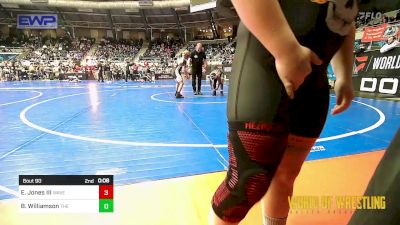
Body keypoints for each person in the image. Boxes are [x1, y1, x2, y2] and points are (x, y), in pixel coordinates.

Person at [210, 0, 358, 225]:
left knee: (286, 175)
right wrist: (284, 49)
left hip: (313, 76)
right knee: (247, 181)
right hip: (267, 60)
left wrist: (344, 74)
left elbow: (345, 15)